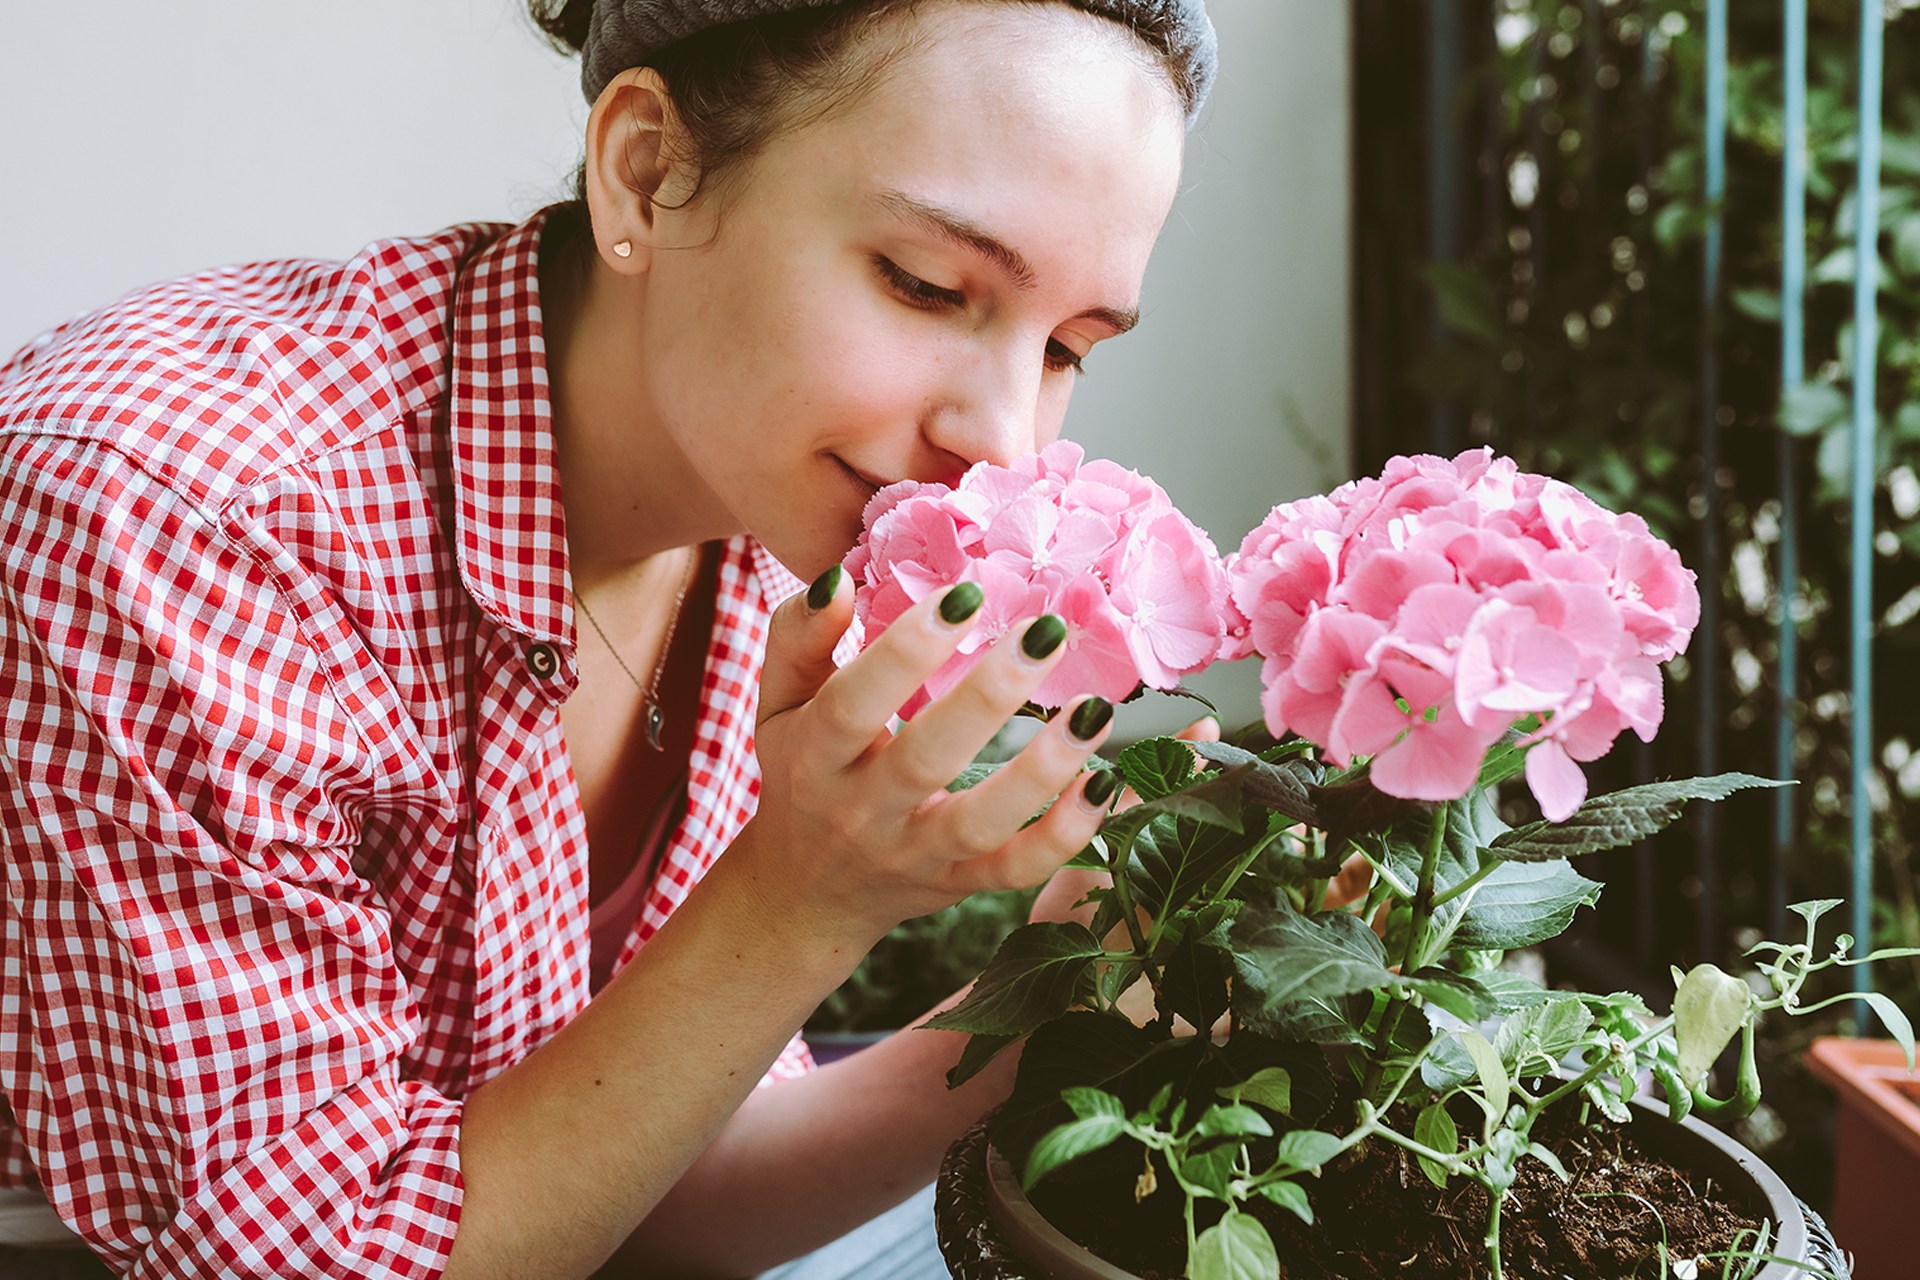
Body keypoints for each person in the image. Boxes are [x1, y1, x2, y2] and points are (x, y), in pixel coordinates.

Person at [0, 0, 1216, 1275]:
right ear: (644, 170)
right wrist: (799, 898)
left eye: (1067, 348)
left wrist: (1053, 992)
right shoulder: (175, 523)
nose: (1002, 443)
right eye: (924, 283)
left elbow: (640, 1187)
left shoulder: (769, 514)